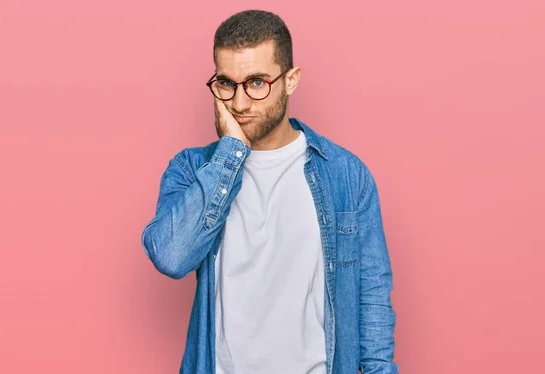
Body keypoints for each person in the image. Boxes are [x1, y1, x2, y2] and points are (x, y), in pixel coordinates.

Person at [141, 9, 398, 374]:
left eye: (257, 82)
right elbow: (171, 256)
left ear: (290, 80)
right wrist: (231, 151)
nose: (240, 103)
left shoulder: (346, 176)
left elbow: (371, 299)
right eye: (227, 83)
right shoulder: (193, 170)